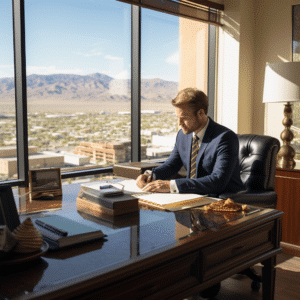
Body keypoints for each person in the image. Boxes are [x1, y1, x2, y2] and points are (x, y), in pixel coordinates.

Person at [136, 87, 244, 197]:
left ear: (201, 113)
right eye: (177, 118)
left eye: (184, 118)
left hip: (224, 201)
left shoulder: (225, 137)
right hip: (192, 197)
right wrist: (151, 175)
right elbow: (172, 165)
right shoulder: (182, 135)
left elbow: (218, 181)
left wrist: (170, 186)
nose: (179, 123)